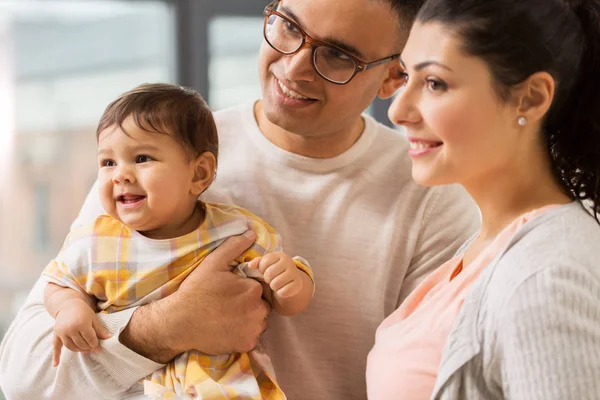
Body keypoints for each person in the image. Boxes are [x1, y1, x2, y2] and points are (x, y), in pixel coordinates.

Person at [0, 1, 480, 399]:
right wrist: (167, 327)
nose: (292, 65)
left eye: (337, 55)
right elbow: (23, 377)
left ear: (393, 77)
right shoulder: (154, 161)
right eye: (288, 26)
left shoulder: (433, 199)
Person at [366, 0, 600, 399]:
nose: (399, 111)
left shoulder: (546, 276)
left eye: (435, 83)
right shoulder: (490, 245)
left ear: (530, 98)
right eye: (406, 77)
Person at [42, 83, 314, 399]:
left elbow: (281, 294)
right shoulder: (97, 240)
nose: (121, 175)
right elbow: (59, 283)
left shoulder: (234, 232)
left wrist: (291, 283)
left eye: (141, 158)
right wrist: (70, 308)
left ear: (199, 173)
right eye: (108, 163)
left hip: (223, 387)